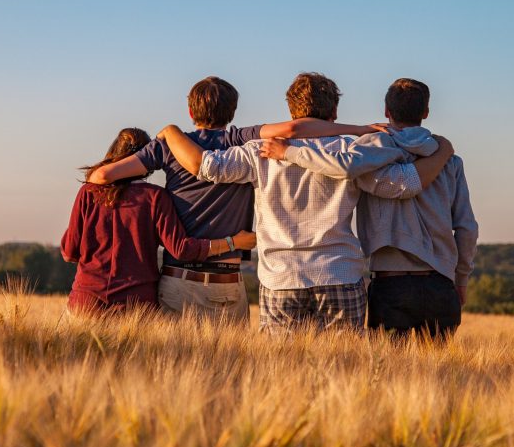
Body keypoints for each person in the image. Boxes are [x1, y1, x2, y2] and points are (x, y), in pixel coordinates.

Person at [158, 73, 454, 332]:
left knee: (280, 374)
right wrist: (442, 151)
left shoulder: (259, 151)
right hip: (339, 273)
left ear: (291, 110)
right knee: (344, 373)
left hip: (281, 277)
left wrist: (170, 132)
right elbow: (403, 185)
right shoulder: (350, 152)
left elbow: (206, 167)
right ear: (335, 111)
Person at [86, 76, 385, 322]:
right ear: (232, 112)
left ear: (191, 112)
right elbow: (296, 128)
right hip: (229, 283)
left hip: (179, 279)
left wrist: (162, 151)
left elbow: (101, 178)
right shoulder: (240, 139)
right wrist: (359, 129)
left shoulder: (168, 147)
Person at [260, 78, 478, 340]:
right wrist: (461, 279)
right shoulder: (450, 161)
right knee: (439, 376)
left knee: (389, 376)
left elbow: (343, 166)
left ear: (387, 111)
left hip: (390, 283)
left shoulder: (366, 154)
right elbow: (466, 228)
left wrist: (288, 152)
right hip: (441, 283)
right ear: (426, 112)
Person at [60, 127, 256, 315]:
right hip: (136, 306)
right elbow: (181, 249)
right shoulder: (155, 197)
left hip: (85, 302)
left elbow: (69, 252)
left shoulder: (88, 192)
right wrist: (233, 242)